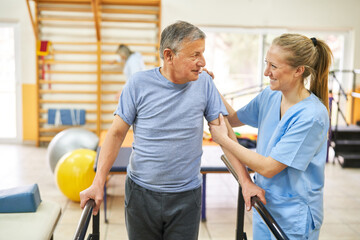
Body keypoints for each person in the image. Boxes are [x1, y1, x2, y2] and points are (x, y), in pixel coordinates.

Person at [80, 20, 264, 240]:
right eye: (195, 54)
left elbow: (226, 134)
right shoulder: (138, 84)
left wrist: (245, 182)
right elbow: (116, 134)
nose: (202, 62)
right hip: (141, 194)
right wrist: (98, 182)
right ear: (169, 56)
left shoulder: (204, 83)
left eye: (203, 53)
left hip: (186, 196)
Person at [209, 33, 333, 239]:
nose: (266, 72)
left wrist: (223, 140)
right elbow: (232, 118)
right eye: (267, 64)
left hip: (294, 215)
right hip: (265, 203)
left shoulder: (312, 116)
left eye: (274, 66)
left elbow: (268, 168)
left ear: (298, 71)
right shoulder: (271, 95)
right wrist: (209, 86)